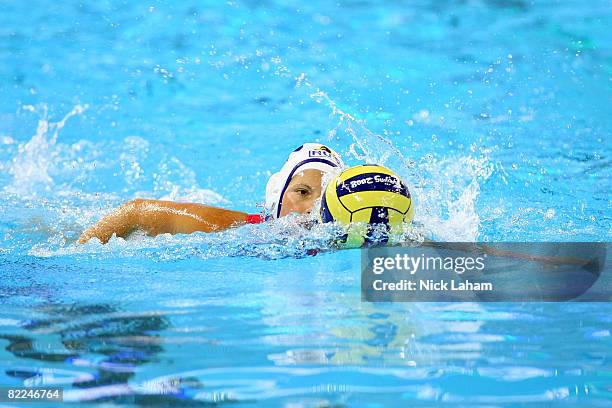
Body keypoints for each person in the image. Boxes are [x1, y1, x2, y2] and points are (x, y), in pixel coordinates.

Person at [78, 143, 344, 244]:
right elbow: (135, 211)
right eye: (302, 192)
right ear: (276, 197)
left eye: (324, 198)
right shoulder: (239, 228)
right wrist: (79, 253)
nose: (313, 207)